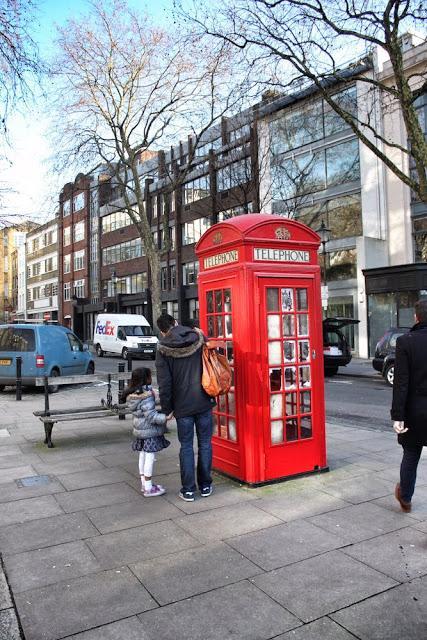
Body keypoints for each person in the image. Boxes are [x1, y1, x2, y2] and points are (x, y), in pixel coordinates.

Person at [156, 314, 215, 502]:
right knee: (205, 444)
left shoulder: (163, 348)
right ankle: (206, 485)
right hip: (204, 399)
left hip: (182, 406)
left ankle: (188, 489)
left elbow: (165, 383)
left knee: (187, 446)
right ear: (176, 322)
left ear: (162, 331)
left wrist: (167, 409)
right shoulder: (197, 336)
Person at [391, 299, 427, 512]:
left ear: (416, 317)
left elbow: (401, 383)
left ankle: (405, 497)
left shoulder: (406, 341)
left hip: (414, 411)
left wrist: (398, 415)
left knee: (411, 455)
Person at [121, 367, 172, 497]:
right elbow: (151, 416)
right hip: (149, 431)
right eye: (150, 376)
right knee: (150, 457)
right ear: (146, 378)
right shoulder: (146, 396)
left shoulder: (134, 395)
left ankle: (145, 484)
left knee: (143, 455)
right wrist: (166, 417)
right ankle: (149, 489)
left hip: (140, 430)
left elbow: (153, 397)